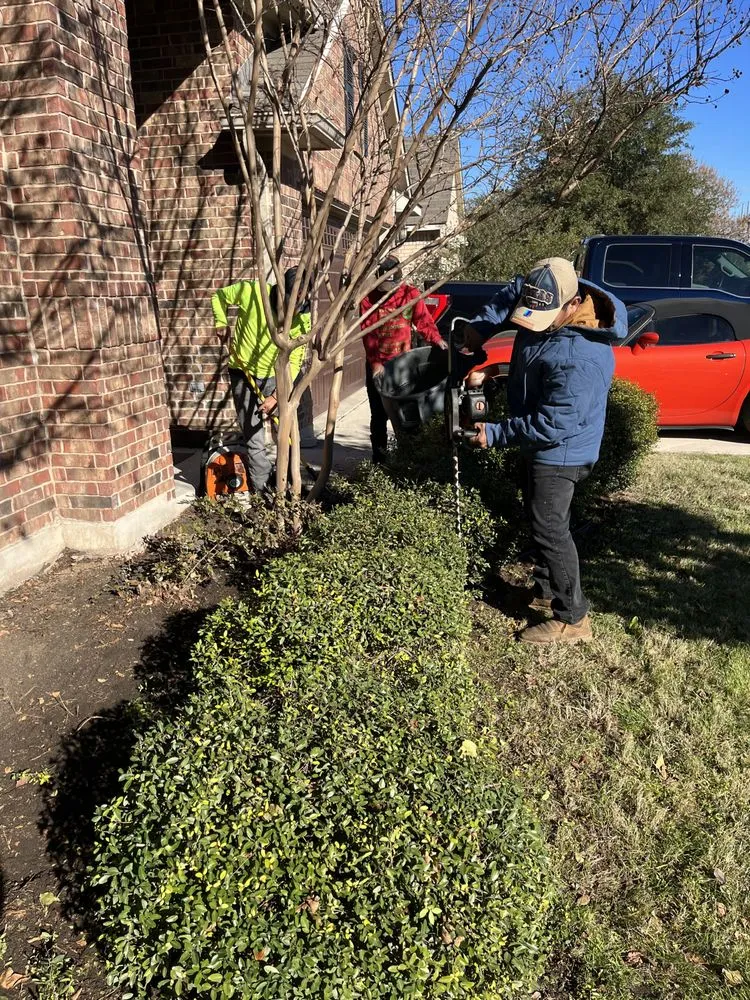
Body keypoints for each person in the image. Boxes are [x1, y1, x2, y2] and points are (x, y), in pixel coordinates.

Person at [464, 257, 627, 645]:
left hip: (561, 451)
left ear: (573, 305)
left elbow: (554, 424)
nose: (533, 324)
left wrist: (494, 434)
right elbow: (514, 300)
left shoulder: (581, 357)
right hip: (543, 443)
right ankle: (545, 590)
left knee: (550, 529)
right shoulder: (549, 296)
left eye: (543, 318)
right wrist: (485, 344)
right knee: (541, 519)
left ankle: (573, 618)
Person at [211, 267, 309, 494]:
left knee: (284, 433)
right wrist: (221, 322)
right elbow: (219, 296)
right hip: (242, 372)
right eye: (290, 302)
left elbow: (295, 361)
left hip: (276, 377)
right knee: (254, 438)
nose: (294, 310)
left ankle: (286, 484)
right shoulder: (253, 292)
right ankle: (261, 489)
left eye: (300, 304)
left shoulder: (304, 317)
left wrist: (276, 396)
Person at [360, 257, 447, 464]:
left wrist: (437, 340)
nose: (388, 292)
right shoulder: (369, 299)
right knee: (378, 415)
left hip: (403, 365)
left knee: (406, 416)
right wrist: (375, 363)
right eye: (384, 287)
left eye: (391, 287)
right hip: (379, 366)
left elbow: (423, 321)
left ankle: (407, 458)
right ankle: (379, 460)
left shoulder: (410, 294)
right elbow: (368, 333)